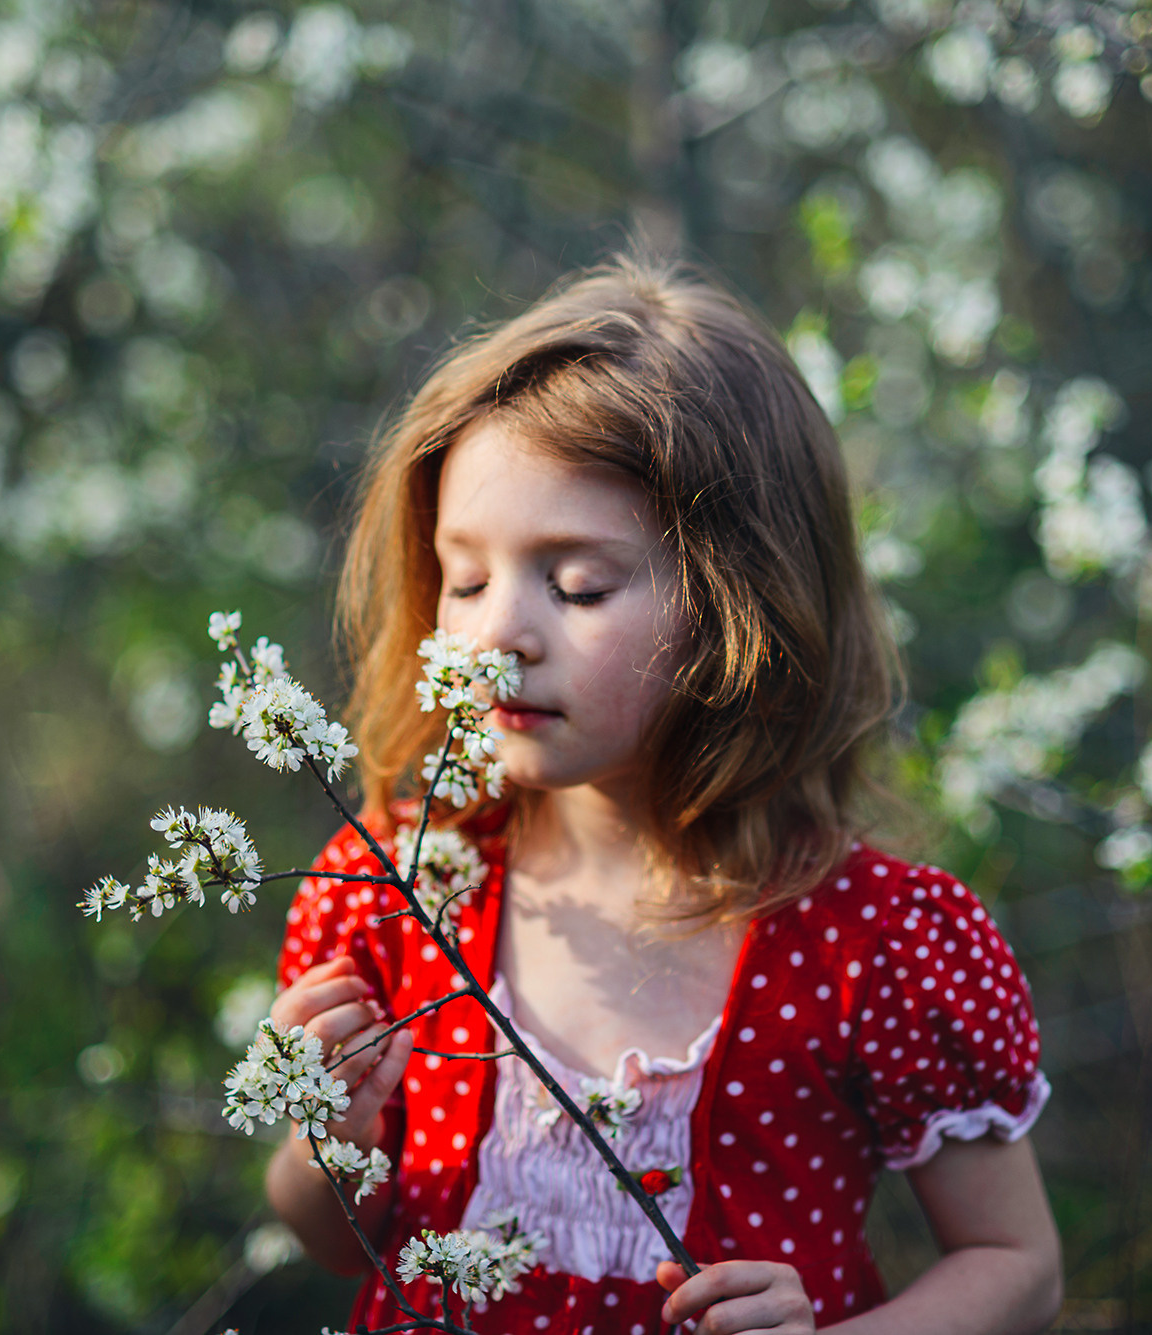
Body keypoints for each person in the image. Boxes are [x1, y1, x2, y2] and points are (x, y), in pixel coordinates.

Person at [265, 254, 1062, 1335]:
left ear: (742, 605)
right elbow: (323, 1234)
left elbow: (1015, 1264)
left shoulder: (872, 941)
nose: (500, 634)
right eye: (464, 579)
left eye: (578, 584)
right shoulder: (394, 892)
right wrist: (336, 1139)